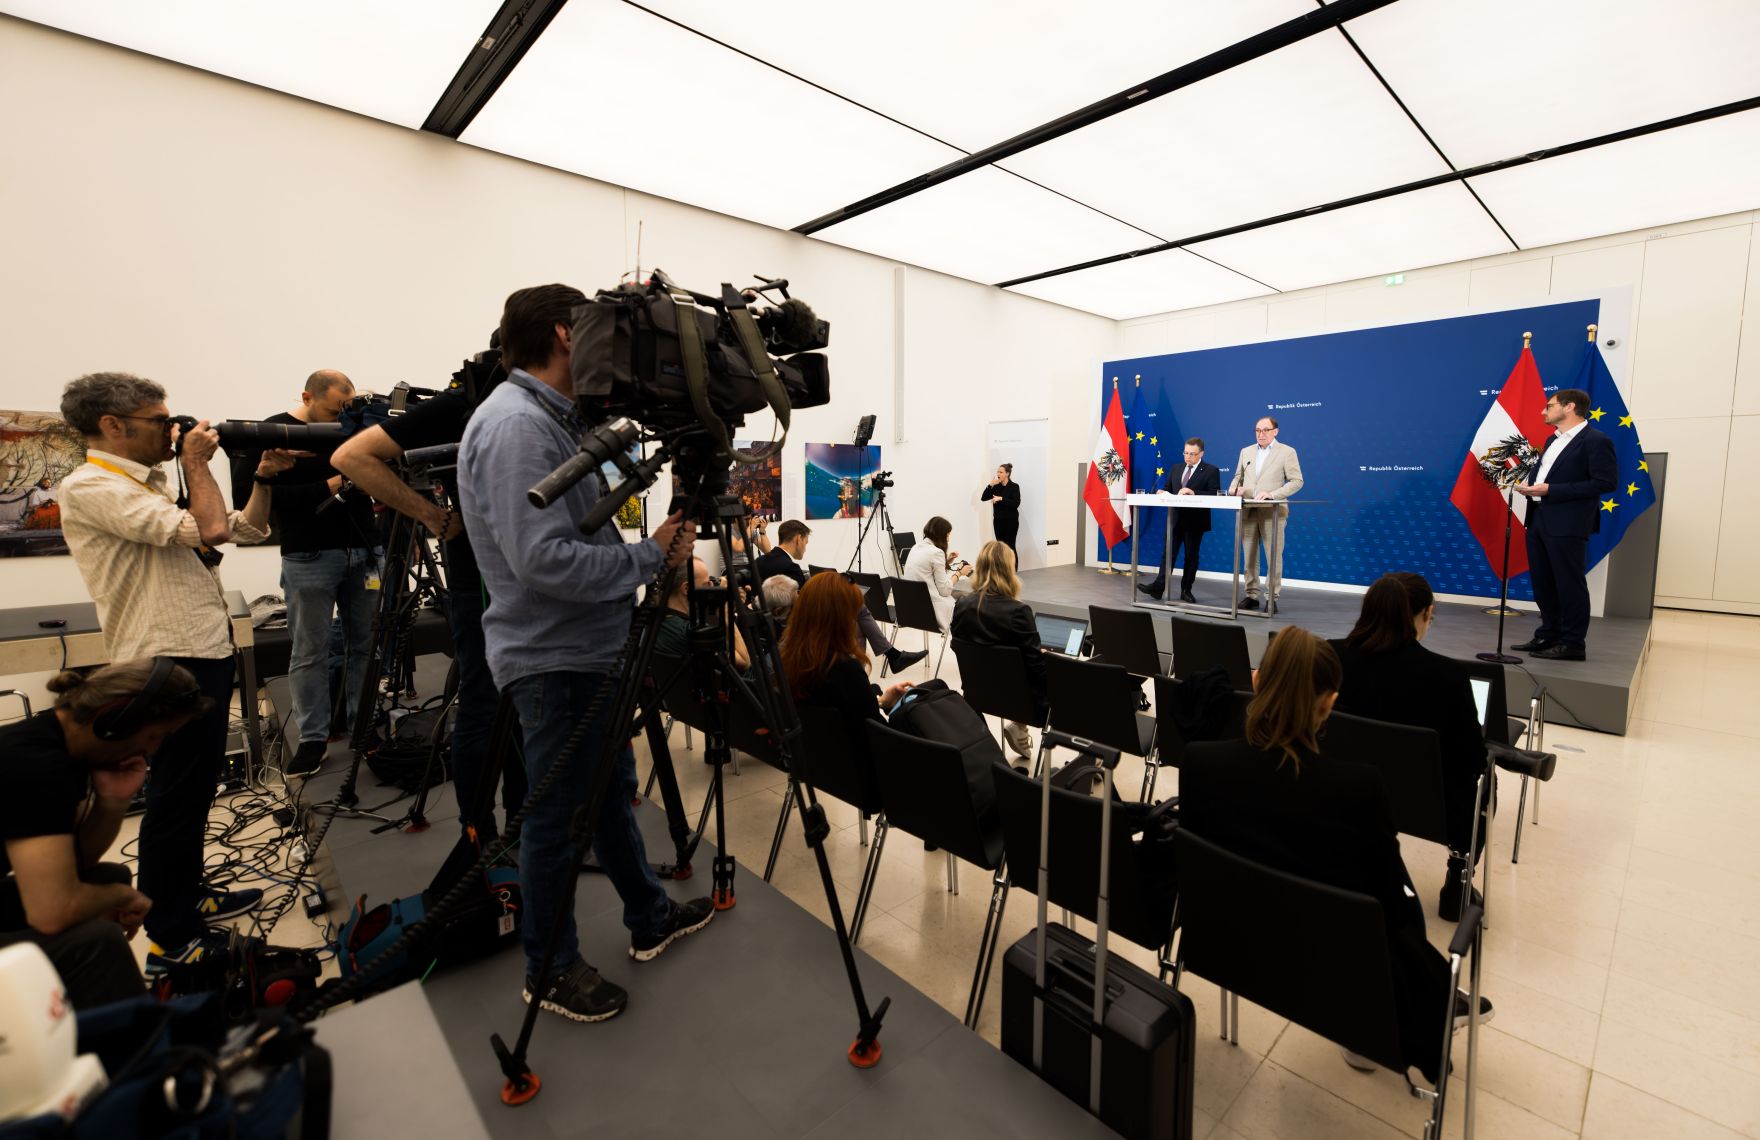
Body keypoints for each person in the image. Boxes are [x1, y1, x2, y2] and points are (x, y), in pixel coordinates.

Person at [459, 284, 712, 1026]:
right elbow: (544, 560)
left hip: (582, 651)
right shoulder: (515, 428)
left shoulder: (548, 420)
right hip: (553, 654)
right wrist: (646, 558)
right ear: (569, 335)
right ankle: (548, 968)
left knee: (606, 797)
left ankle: (648, 915)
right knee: (557, 818)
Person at [57, 372, 291, 972]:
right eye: (161, 420)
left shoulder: (152, 484)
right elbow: (210, 529)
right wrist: (196, 464)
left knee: (196, 792)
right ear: (113, 426)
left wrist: (261, 477)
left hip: (199, 649)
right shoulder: (92, 486)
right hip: (165, 657)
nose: (174, 428)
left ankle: (184, 894)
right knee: (176, 799)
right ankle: (172, 935)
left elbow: (245, 528)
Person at [1182, 627, 1491, 1079]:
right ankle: (1399, 1018)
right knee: (1401, 907)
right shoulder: (1357, 790)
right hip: (1331, 973)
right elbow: (1391, 899)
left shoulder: (1198, 763)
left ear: (1255, 678)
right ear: (1328, 703)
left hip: (1231, 949)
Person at [330, 340, 527, 843]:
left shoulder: (542, 403)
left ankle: (527, 827)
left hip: (530, 580)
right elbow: (352, 456)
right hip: (482, 580)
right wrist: (432, 516)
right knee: (485, 702)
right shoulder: (467, 403)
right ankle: (480, 835)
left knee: (524, 704)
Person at [0, 661, 207, 1009]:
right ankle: (145, 1051)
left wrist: (113, 801)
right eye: (153, 736)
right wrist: (118, 897)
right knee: (98, 941)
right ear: (115, 720)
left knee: (112, 877)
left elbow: (79, 864)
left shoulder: (61, 744)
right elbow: (52, 911)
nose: (153, 750)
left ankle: (90, 1014)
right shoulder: (37, 766)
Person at [230, 371, 379, 778]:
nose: (341, 418)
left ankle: (363, 727)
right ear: (307, 397)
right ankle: (313, 739)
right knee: (309, 652)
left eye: (348, 410)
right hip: (309, 556)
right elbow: (249, 501)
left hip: (366, 551)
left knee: (366, 646)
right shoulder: (274, 431)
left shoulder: (357, 429)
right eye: (334, 409)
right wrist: (331, 485)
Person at [1330, 573, 1487, 921]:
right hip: (1427, 807)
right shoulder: (1449, 677)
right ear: (1425, 613)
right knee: (1481, 781)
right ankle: (1457, 882)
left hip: (1342, 788)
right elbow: (1471, 758)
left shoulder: (1331, 655)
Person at [1513, 387, 1619, 661]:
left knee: (1568, 583)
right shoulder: (1552, 440)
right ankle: (1549, 633)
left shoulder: (1596, 440)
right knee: (1543, 581)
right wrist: (1532, 487)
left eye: (1549, 405)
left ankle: (1573, 643)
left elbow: (1605, 482)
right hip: (1539, 519)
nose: (1543, 411)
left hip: (1568, 523)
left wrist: (1551, 490)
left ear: (1569, 407)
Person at [754, 520, 927, 672]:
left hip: (768, 623)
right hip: (796, 624)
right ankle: (872, 663)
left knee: (858, 609)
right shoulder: (791, 568)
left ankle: (891, 656)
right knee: (858, 612)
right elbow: (808, 603)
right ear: (798, 539)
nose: (805, 549)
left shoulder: (760, 561)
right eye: (806, 543)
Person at [780, 573, 911, 768]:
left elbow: (833, 703)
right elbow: (879, 734)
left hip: (819, 762)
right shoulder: (844, 669)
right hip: (865, 769)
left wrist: (881, 701)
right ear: (841, 618)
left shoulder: (786, 657)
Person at [950, 541, 1046, 762]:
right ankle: (1093, 755)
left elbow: (962, 647)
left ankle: (1020, 728)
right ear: (1009, 570)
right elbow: (1036, 670)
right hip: (1026, 703)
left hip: (978, 694)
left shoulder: (962, 605)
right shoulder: (1019, 612)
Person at [1226, 416, 1303, 611]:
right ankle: (1251, 595)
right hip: (1249, 510)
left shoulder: (1287, 452)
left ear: (1275, 431)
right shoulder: (1246, 451)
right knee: (1249, 556)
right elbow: (1238, 477)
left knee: (1273, 557)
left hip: (1273, 512)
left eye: (1265, 430)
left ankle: (1272, 598)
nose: (1261, 434)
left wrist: (1272, 495)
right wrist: (1234, 489)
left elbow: (1296, 481)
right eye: (1258, 430)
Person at [1136, 437, 1220, 603]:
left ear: (1201, 454)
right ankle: (1158, 588)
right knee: (1167, 554)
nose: (1188, 457)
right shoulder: (1176, 468)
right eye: (1186, 453)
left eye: (1193, 454)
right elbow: (1169, 488)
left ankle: (1186, 590)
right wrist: (1162, 492)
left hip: (1195, 521)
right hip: (1174, 519)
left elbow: (1215, 493)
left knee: (1190, 556)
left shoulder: (1211, 470)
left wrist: (1193, 492)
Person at [655, 557, 750, 671]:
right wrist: (725, 612)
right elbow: (744, 662)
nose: (711, 587)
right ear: (686, 588)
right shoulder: (691, 633)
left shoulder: (655, 622)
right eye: (706, 583)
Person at [903, 516, 972, 631]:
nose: (948, 539)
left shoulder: (916, 547)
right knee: (968, 599)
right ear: (941, 534)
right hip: (930, 608)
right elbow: (944, 591)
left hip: (911, 605)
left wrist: (946, 561)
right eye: (948, 534)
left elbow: (927, 570)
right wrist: (959, 573)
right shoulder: (936, 552)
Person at [981, 464, 1021, 558]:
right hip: (998, 521)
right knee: (1000, 548)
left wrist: (1001, 498)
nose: (998, 474)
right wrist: (991, 484)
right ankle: (1003, 571)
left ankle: (1012, 571)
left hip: (1011, 521)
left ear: (1007, 473)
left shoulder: (1014, 486)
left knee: (1010, 547)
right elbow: (983, 498)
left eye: (1001, 472)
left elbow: (1016, 503)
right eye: (997, 472)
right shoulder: (996, 486)